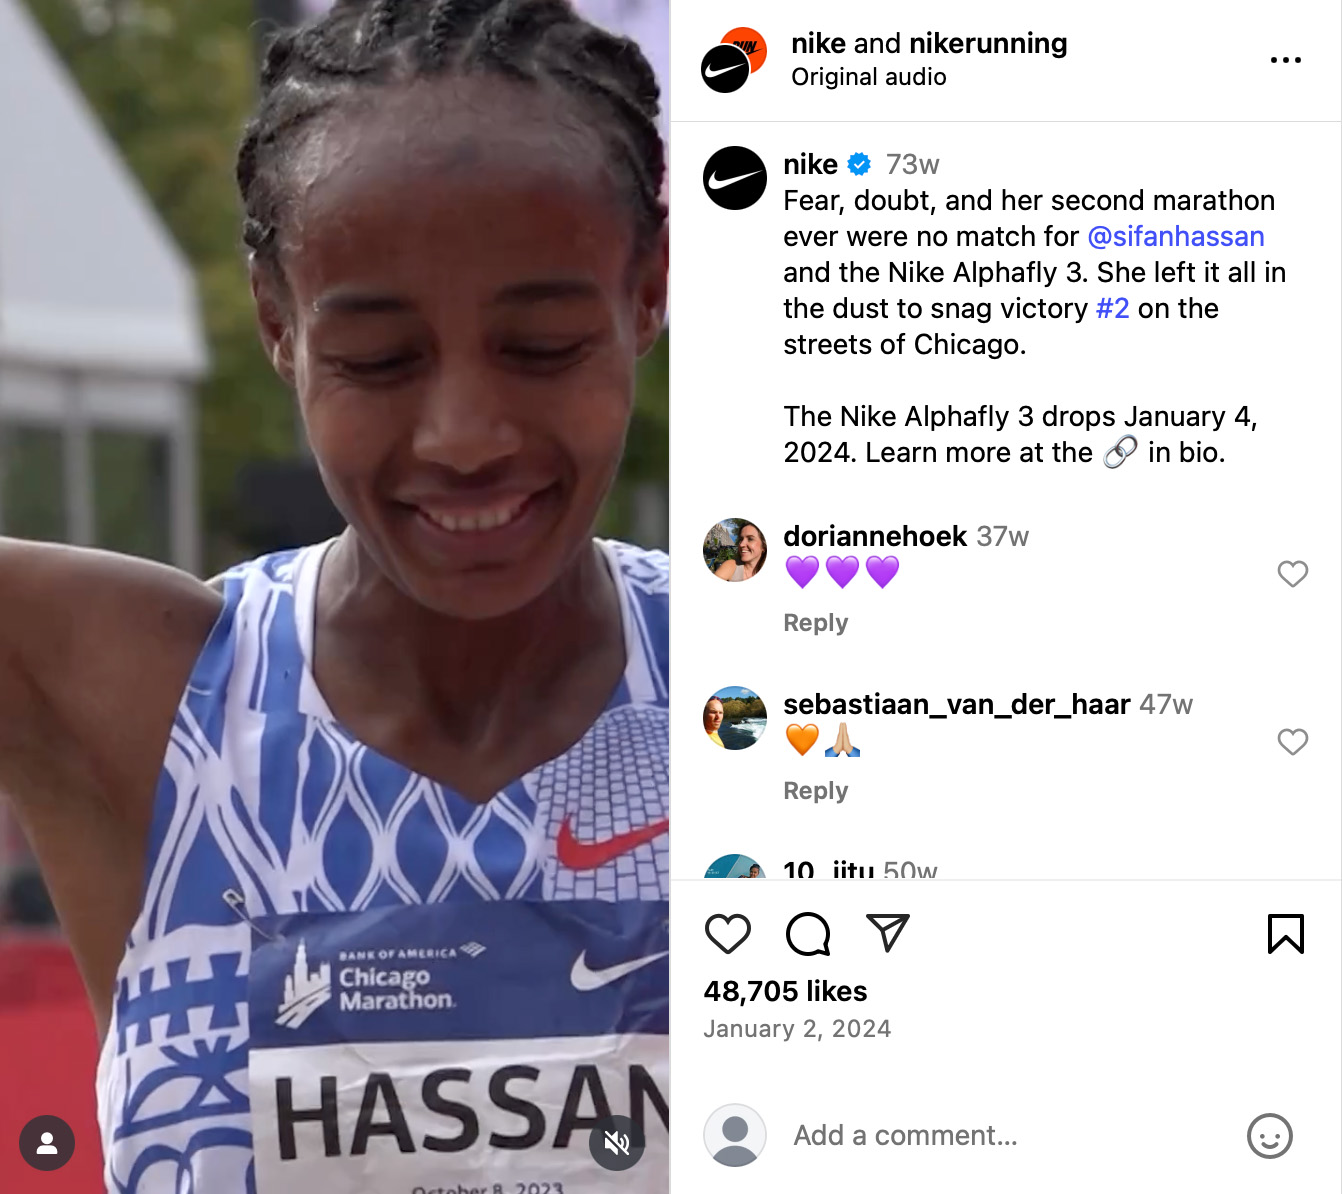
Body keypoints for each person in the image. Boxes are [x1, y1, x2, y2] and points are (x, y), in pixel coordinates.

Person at [0, 2, 669, 1189]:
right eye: (378, 361)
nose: (464, 436)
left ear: (647, 292)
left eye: (544, 345)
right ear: (278, 324)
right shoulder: (135, 689)